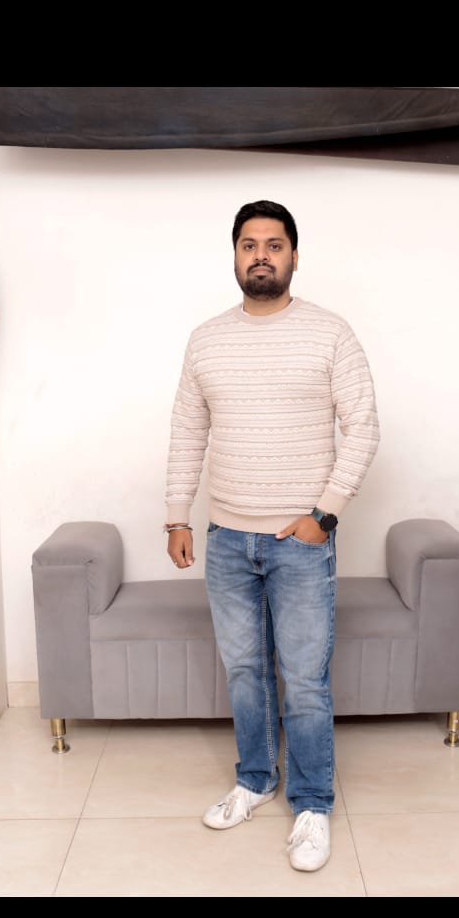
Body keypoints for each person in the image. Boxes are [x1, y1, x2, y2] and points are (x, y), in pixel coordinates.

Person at [165, 200, 379, 871]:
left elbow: (364, 427)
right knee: (245, 672)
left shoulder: (330, 332)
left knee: (305, 681)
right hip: (227, 539)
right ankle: (256, 780)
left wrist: (325, 515)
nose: (261, 255)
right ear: (235, 256)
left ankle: (312, 805)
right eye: (249, 244)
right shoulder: (206, 339)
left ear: (294, 256)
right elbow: (187, 430)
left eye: (274, 244)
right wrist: (177, 514)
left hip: (301, 543)